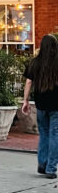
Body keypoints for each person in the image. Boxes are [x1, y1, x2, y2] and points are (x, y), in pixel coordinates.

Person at [23, 34, 58, 178]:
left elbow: (29, 82)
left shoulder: (35, 62)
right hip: (56, 104)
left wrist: (25, 100)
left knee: (43, 133)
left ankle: (42, 164)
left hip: (41, 102)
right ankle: (51, 168)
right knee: (55, 135)